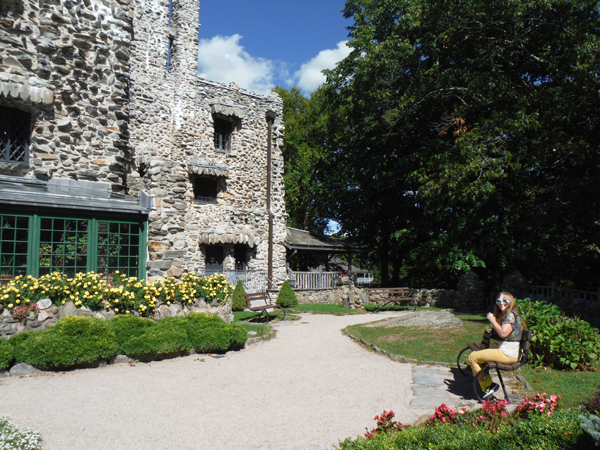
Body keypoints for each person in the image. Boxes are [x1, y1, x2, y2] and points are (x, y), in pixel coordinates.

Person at [467, 291, 526, 399]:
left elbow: (503, 333)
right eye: (498, 301)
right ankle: (488, 388)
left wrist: (493, 320)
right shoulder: (511, 314)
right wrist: (493, 330)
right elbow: (505, 333)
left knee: (473, 357)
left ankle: (488, 386)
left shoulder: (510, 316)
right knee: (478, 358)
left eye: (505, 300)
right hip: (509, 352)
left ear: (511, 301)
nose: (501, 303)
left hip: (508, 354)